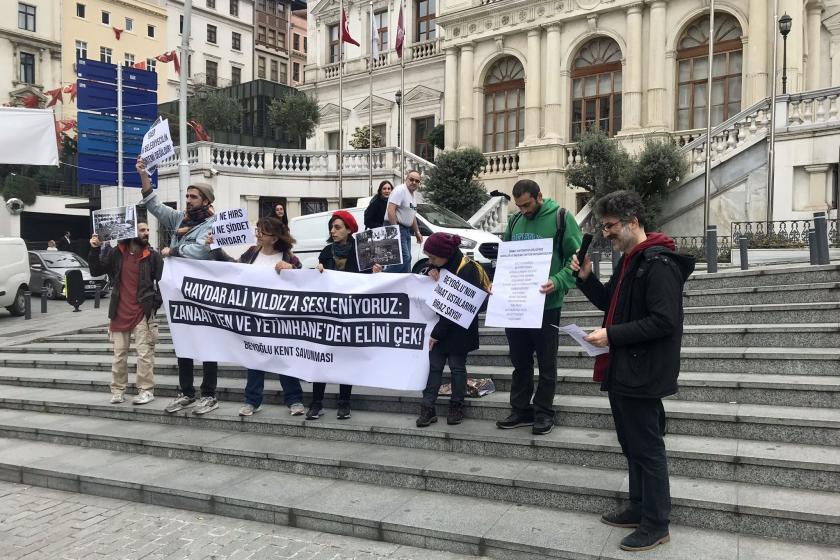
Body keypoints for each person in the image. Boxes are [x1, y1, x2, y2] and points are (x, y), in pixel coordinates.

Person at [572, 190, 694, 552]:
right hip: (624, 369)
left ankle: (657, 524)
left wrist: (611, 334)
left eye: (610, 226)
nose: (606, 233)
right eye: (604, 227)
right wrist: (587, 279)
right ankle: (639, 507)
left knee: (647, 448)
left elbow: (663, 322)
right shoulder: (630, 261)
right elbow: (612, 303)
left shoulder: (658, 263)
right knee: (631, 445)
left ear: (633, 222)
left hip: (643, 372)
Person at [496, 179, 582, 435]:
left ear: (539, 196)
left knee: (546, 363)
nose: (524, 210)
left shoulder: (561, 217)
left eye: (527, 204)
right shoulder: (514, 221)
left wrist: (558, 281)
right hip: (518, 304)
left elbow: (576, 259)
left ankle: (544, 412)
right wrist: (499, 284)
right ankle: (520, 409)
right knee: (520, 361)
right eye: (519, 206)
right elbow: (507, 257)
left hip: (547, 305)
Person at [136, 157, 220, 416]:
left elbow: (201, 251)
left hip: (204, 291)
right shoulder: (179, 219)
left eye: (193, 197)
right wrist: (143, 175)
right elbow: (155, 206)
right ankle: (186, 392)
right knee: (183, 340)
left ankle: (209, 394)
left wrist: (174, 249)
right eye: (186, 196)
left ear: (206, 201)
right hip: (180, 292)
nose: (188, 200)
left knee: (207, 343)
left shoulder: (213, 224)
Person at [208, 216, 306, 417]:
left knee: (284, 357)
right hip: (254, 316)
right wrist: (215, 249)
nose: (258, 235)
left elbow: (304, 283)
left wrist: (292, 270)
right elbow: (233, 268)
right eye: (257, 230)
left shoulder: (289, 258)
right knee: (254, 358)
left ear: (274, 237)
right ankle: (252, 401)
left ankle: (294, 400)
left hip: (281, 319)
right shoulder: (252, 253)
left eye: (262, 231)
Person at [308, 210, 382, 420]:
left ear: (349, 230)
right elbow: (317, 280)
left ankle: (344, 403)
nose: (333, 231)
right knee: (321, 358)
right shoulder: (325, 252)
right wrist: (318, 270)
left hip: (350, 315)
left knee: (345, 359)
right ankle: (316, 403)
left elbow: (368, 281)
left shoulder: (362, 252)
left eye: (338, 227)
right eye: (331, 227)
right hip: (328, 315)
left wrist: (376, 273)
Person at [416, 233, 486, 428]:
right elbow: (424, 278)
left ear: (444, 254)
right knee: (435, 368)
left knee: (456, 367)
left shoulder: (467, 270)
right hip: (440, 328)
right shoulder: (440, 264)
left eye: (432, 258)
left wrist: (437, 333)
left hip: (457, 330)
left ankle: (457, 405)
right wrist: (429, 269)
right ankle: (427, 407)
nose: (430, 261)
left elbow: (457, 308)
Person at [88, 223, 163, 406]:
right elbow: (96, 270)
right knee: (119, 355)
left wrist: (154, 304)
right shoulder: (116, 253)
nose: (146, 233)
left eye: (147, 230)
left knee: (144, 354)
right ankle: (118, 390)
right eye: (142, 230)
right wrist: (94, 249)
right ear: (131, 232)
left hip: (142, 313)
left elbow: (162, 282)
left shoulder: (152, 256)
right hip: (119, 312)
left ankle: (146, 391)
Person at [384, 170, 423, 273]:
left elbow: (412, 215)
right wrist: (395, 230)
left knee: (407, 264)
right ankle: (382, 277)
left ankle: (404, 287)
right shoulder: (400, 190)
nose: (414, 182)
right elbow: (390, 210)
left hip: (405, 230)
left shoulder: (413, 195)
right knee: (405, 258)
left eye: (417, 181)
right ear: (406, 179)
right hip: (396, 227)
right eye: (411, 179)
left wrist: (417, 232)